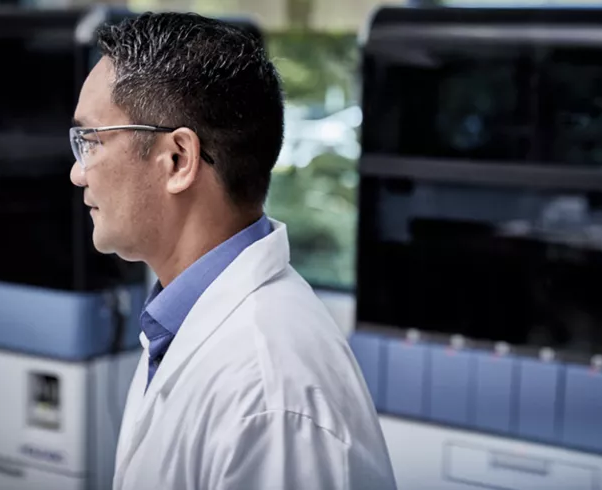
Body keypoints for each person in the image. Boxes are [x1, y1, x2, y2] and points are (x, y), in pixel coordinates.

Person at [69, 11, 396, 490]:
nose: (79, 173)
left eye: (92, 141)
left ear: (178, 159)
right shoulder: (182, 320)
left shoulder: (270, 390)